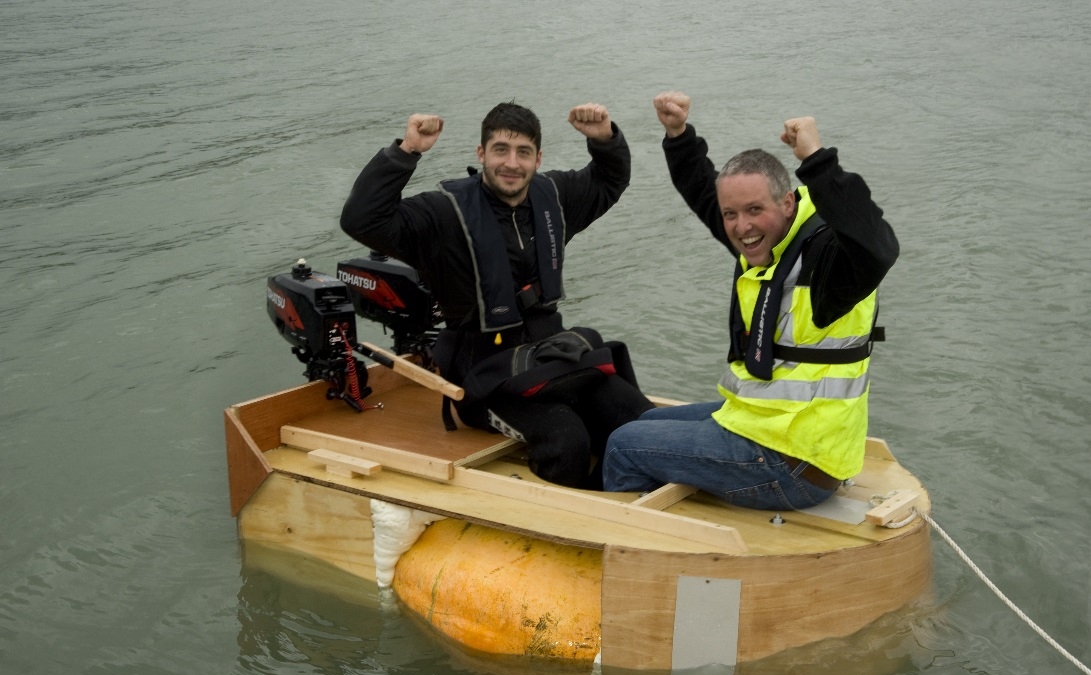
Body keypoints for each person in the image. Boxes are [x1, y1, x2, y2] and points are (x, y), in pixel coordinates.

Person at [602, 92, 899, 510]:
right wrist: (678, 134)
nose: (742, 227)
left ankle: (628, 553)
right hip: (767, 430)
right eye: (731, 215)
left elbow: (878, 247)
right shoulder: (769, 243)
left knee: (622, 446)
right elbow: (706, 193)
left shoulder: (828, 264)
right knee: (645, 422)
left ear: (787, 202)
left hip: (795, 462)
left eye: (754, 209)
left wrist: (816, 158)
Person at [340, 102, 654, 490]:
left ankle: (626, 501)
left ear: (537, 159)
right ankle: (559, 524)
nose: (512, 163)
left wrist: (604, 139)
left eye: (523, 152)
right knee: (566, 438)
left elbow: (610, 180)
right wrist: (408, 150)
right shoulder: (442, 215)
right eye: (501, 150)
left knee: (635, 416)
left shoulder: (554, 197)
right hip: (481, 374)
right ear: (481, 154)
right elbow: (361, 219)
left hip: (549, 357)